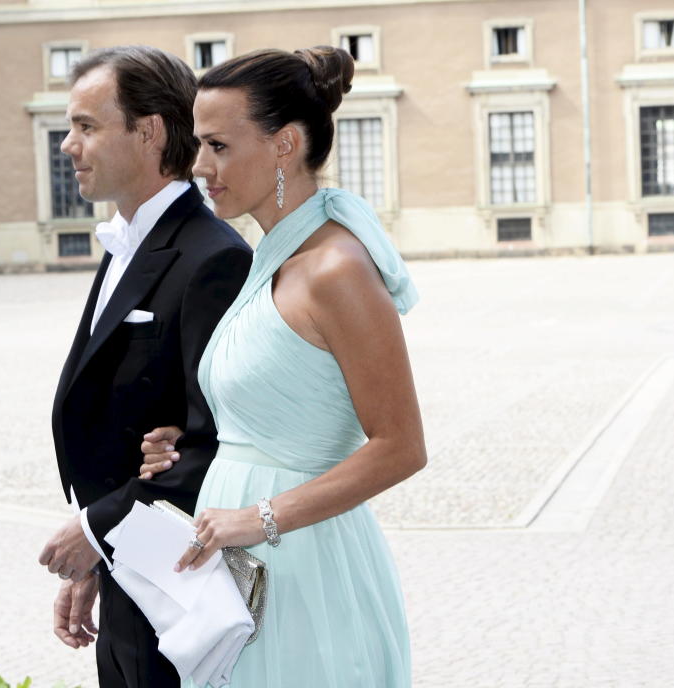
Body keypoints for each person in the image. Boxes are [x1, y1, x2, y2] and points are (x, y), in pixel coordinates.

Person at [138, 46, 427, 687]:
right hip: (236, 573)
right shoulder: (270, 256)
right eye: (198, 144)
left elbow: (402, 447)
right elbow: (282, 402)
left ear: (284, 145)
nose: (199, 165)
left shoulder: (336, 269)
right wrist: (188, 446)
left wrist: (257, 518)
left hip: (306, 569)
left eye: (217, 145)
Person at [37, 46, 252, 688]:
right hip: (132, 565)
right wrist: (103, 563)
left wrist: (95, 532)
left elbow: (215, 441)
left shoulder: (213, 258)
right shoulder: (126, 240)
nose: (69, 145)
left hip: (178, 581)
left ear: (150, 130)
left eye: (86, 126)